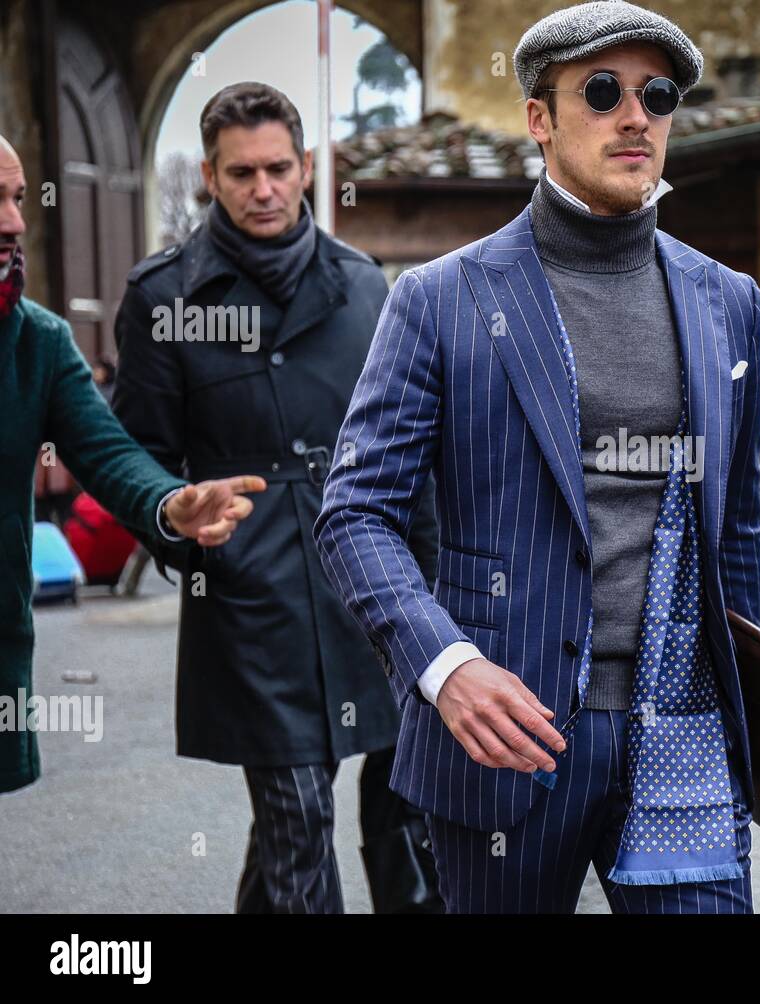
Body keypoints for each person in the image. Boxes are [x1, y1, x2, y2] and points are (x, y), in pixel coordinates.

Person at [316, 0, 760, 914]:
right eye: (601, 91)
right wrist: (445, 668)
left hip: (682, 724)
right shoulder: (439, 300)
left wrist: (754, 713)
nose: (634, 115)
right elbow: (354, 512)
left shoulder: (729, 300)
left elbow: (739, 526)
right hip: (508, 736)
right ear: (539, 118)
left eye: (657, 93)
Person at [111, 84, 441, 914]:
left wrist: (440, 591)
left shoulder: (367, 289)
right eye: (241, 172)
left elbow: (414, 452)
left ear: (304, 170)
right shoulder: (164, 300)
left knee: (400, 808)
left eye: (278, 169)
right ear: (211, 180)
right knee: (297, 811)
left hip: (366, 589)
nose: (263, 189)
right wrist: (181, 519)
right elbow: (132, 457)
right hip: (250, 597)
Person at [0, 134, 264, 796]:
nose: (14, 222)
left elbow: (110, 452)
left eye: (18, 198)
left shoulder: (38, 341)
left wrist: (170, 503)